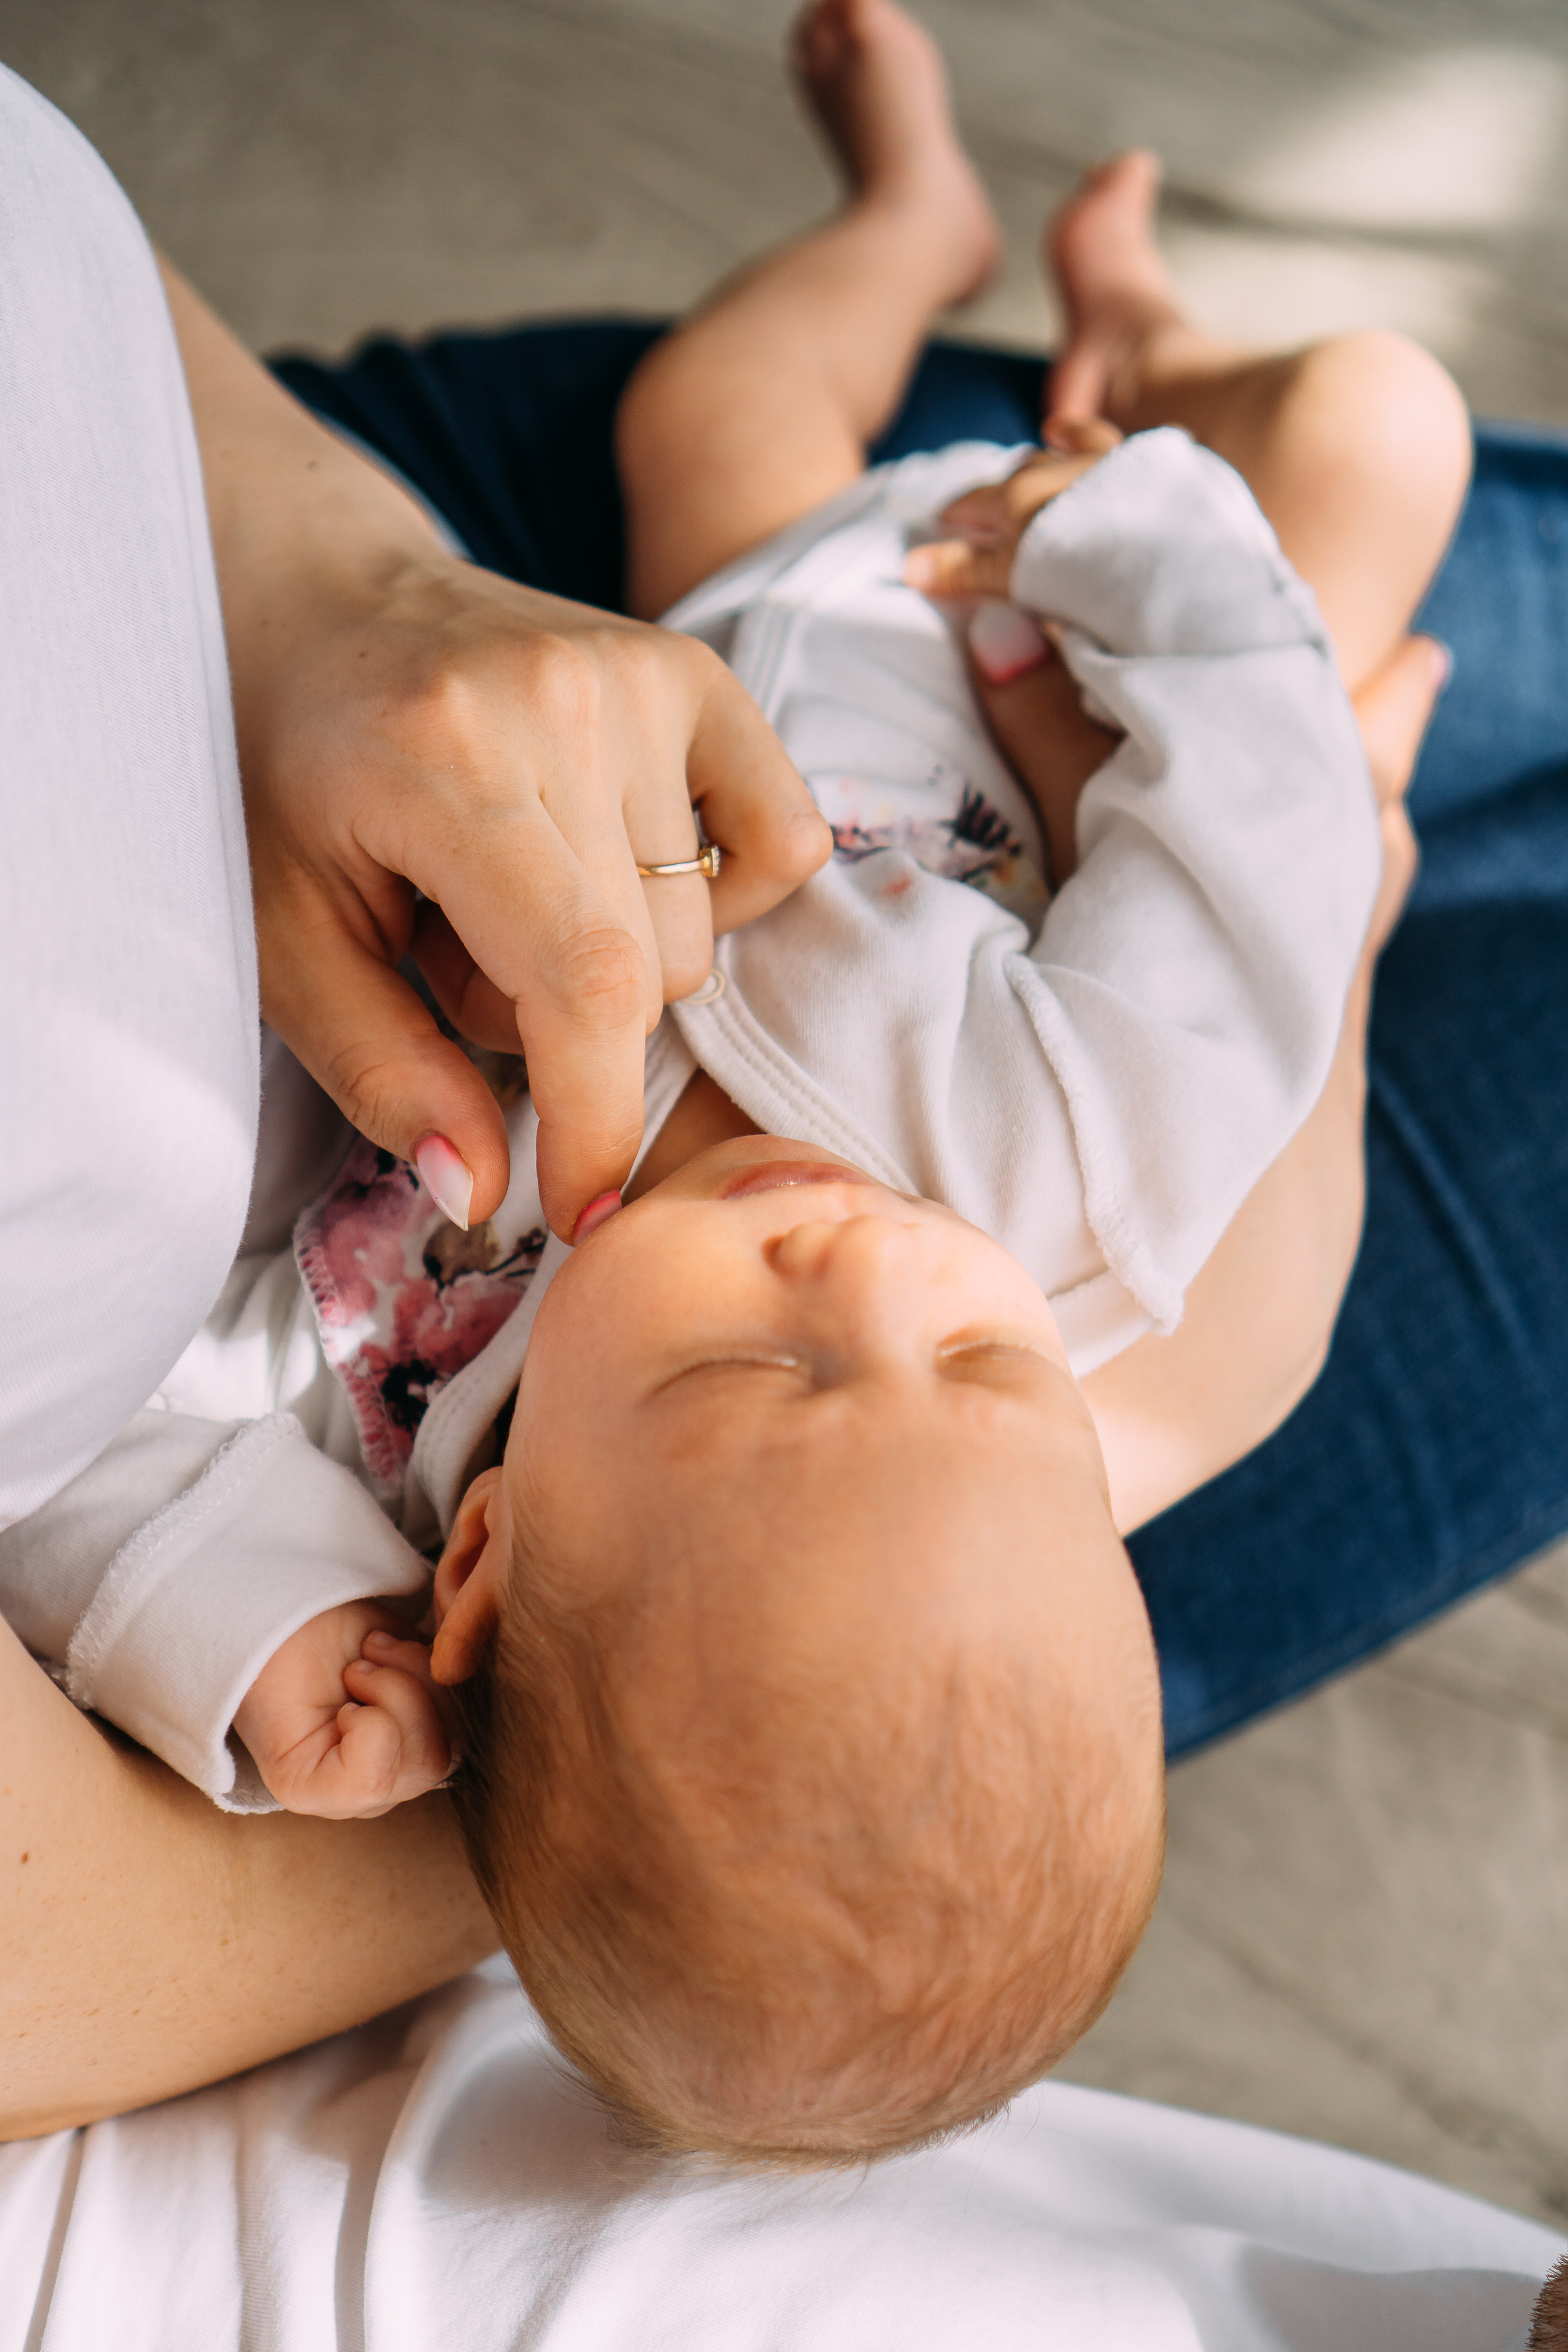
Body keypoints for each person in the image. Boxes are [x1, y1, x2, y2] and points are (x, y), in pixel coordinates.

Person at [0, 0, 1464, 2165]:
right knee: (1374, 434)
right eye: (992, 1369)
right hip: (971, 626)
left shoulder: (390, 1399)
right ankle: (1113, 325)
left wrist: (255, 1628)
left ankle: (913, 228)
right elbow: (1258, 867)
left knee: (712, 402)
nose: (864, 1268)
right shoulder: (1075, 1168)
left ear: (482, 1565)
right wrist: (1140, 561)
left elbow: (100, 1437)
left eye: (759, 1373)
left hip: (718, 627)